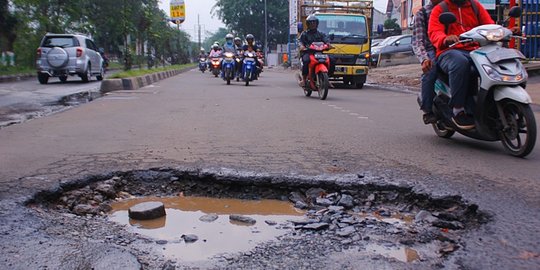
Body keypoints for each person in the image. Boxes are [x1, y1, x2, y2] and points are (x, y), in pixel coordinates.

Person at [428, 0, 495, 130]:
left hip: (476, 50)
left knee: (495, 62)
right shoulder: (441, 9)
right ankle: (458, 109)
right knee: (460, 63)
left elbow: (490, 26)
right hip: (449, 51)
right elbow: (434, 32)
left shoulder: (475, 6)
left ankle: (493, 104)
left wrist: (506, 31)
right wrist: (444, 38)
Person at [412, 0, 442, 125]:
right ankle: (427, 109)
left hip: (452, 47)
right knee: (431, 69)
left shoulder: (454, 9)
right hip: (432, 49)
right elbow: (418, 41)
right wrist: (424, 58)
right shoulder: (423, 13)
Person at [298, 14, 332, 89]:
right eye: (311, 23)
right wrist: (302, 46)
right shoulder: (304, 34)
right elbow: (300, 41)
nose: (313, 24)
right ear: (308, 24)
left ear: (317, 24)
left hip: (319, 53)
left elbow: (326, 39)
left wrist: (328, 44)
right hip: (308, 53)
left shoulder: (320, 34)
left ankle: (327, 78)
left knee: (332, 59)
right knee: (306, 61)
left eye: (314, 23)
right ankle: (304, 80)